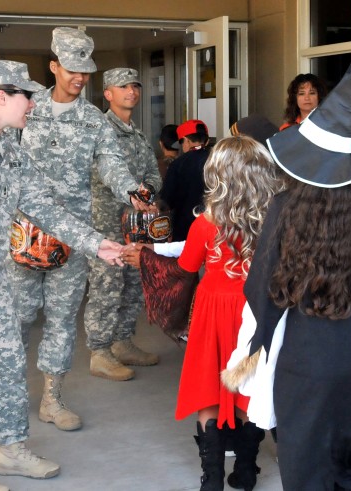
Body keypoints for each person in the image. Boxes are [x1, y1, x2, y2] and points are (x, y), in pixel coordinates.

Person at [224, 34, 351, 490]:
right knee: (345, 459)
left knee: (304, 464)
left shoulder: (286, 207)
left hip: (304, 355)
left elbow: (260, 286)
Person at [0, 60, 124, 491]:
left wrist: (95, 243)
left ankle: (10, 451)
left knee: (8, 365)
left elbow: (42, 205)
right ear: (2, 96)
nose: (34, 103)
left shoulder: (9, 145)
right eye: (28, 95)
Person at [6, 27, 148, 432]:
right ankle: (9, 396)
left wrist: (129, 189)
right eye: (72, 70)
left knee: (62, 319)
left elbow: (111, 162)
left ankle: (53, 397)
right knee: (17, 319)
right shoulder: (26, 111)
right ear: (54, 66)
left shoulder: (92, 119)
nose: (80, 78)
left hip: (74, 238)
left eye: (86, 71)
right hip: (26, 238)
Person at [130, 135, 284, 491]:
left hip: (212, 309)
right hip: (257, 310)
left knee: (208, 387)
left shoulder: (205, 223)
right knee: (248, 386)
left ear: (216, 175)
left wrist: (147, 256)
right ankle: (246, 471)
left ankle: (211, 478)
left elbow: (186, 267)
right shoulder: (276, 219)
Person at [83, 68, 162, 382]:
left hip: (136, 224)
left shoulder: (137, 133)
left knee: (133, 283)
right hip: (106, 224)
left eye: (135, 86)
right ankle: (100, 353)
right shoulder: (99, 130)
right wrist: (140, 197)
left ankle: (123, 342)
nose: (131, 91)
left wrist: (146, 198)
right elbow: (109, 176)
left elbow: (153, 174)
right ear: (107, 94)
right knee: (107, 287)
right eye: (123, 86)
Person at [158, 119, 210, 241]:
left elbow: (167, 201)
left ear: (186, 140)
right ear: (205, 141)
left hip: (184, 230)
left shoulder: (178, 164)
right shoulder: (218, 160)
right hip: (213, 228)